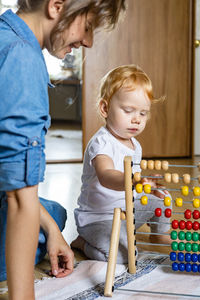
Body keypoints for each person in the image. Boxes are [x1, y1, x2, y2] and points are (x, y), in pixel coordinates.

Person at [0, 0, 126, 299]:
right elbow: (18, 198)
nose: (89, 41)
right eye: (88, 26)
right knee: (35, 215)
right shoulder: (22, 60)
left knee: (52, 215)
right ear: (57, 6)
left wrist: (52, 232)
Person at [71, 64, 172, 263]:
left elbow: (134, 189)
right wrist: (134, 181)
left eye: (143, 113)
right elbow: (106, 175)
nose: (137, 120)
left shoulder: (135, 145)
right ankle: (82, 243)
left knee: (162, 198)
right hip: (99, 219)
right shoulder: (101, 143)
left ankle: (159, 235)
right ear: (105, 108)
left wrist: (147, 188)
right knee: (124, 255)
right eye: (128, 111)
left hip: (127, 210)